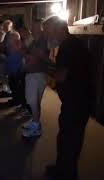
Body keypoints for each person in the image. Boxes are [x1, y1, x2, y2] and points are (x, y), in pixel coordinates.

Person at [43, 16, 92, 180]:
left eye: (48, 32)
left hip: (76, 102)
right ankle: (62, 169)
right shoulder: (72, 43)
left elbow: (61, 76)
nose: (47, 36)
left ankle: (66, 174)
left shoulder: (68, 47)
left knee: (69, 140)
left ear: (58, 29)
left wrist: (41, 66)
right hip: (79, 100)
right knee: (66, 137)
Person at [21, 19, 49, 138]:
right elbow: (24, 52)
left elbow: (36, 56)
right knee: (34, 101)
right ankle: (34, 121)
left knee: (33, 101)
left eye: (34, 26)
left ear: (40, 27)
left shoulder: (43, 39)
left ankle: (36, 127)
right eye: (32, 26)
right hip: (32, 73)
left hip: (38, 74)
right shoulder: (34, 39)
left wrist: (28, 56)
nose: (32, 28)